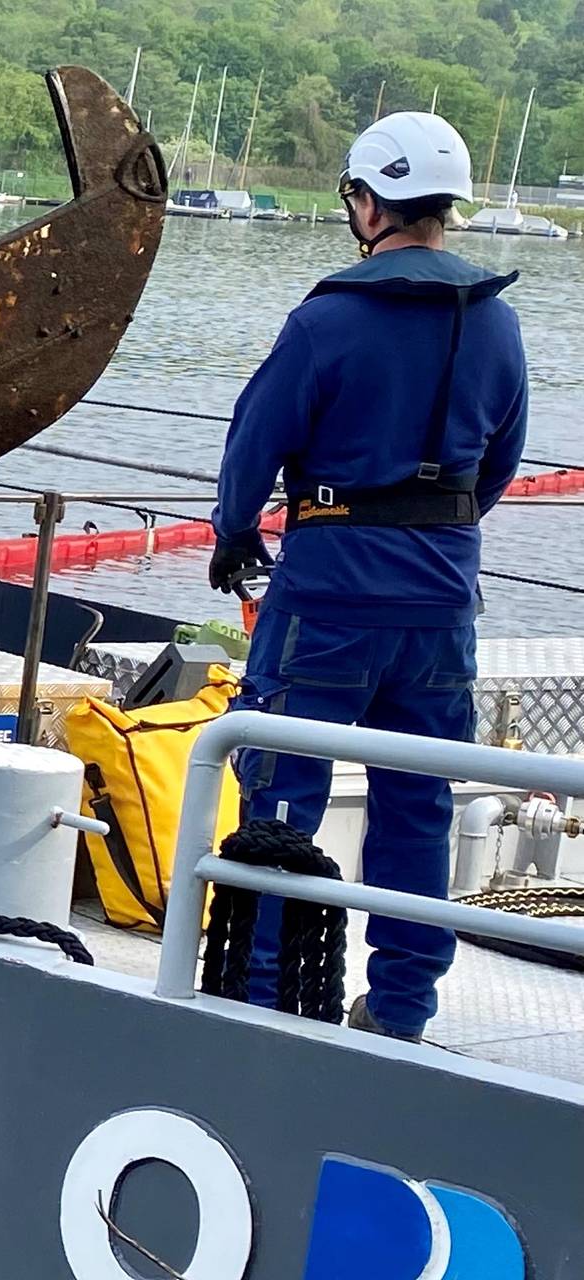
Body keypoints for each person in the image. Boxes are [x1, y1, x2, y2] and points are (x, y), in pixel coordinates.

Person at [207, 111, 528, 1043]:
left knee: (283, 797)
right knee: (416, 804)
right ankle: (400, 1011)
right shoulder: (498, 324)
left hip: (328, 600)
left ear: (370, 200)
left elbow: (254, 442)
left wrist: (234, 534)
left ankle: (262, 996)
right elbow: (499, 467)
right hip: (439, 608)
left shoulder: (327, 319)